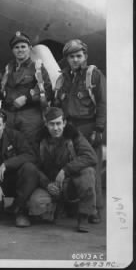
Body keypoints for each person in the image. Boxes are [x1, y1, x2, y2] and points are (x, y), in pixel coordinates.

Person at [53, 39, 106, 223]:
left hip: (88, 126)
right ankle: (73, 206)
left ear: (85, 57)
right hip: (69, 127)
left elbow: (102, 103)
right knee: (71, 164)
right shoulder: (62, 78)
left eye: (78, 56)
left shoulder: (94, 75)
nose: (75, 60)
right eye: (71, 57)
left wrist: (99, 129)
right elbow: (57, 103)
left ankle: (95, 210)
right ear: (66, 59)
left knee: (92, 168)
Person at [30, 107, 98, 232]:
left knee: (87, 172)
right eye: (51, 124)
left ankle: (83, 216)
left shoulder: (74, 136)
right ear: (46, 124)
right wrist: (46, 184)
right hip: (50, 184)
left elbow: (91, 156)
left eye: (58, 123)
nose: (55, 128)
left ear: (64, 123)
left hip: (71, 184)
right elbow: (33, 166)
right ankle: (60, 207)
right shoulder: (38, 140)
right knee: (35, 204)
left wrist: (66, 170)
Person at [0, 107, 39, 227]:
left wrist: (7, 163)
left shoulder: (15, 136)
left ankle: (20, 210)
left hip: (18, 182)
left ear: (4, 125)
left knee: (30, 169)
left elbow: (30, 155)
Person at [1, 31, 53, 142]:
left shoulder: (37, 67)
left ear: (29, 48)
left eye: (23, 47)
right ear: (12, 50)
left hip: (30, 117)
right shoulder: (8, 69)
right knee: (10, 148)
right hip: (10, 115)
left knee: (30, 149)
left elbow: (47, 90)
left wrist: (27, 98)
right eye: (16, 47)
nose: (20, 50)